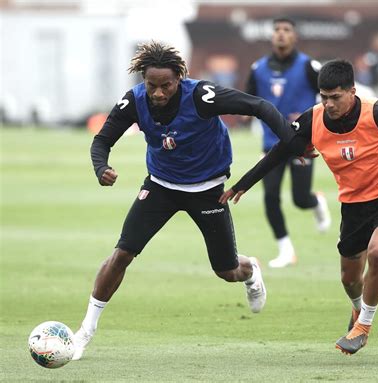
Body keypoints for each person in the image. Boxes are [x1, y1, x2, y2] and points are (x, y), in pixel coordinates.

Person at [72, 41, 297, 360]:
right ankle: (85, 332)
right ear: (143, 81)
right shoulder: (134, 101)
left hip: (208, 189)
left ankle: (252, 270)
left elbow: (260, 107)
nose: (159, 93)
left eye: (166, 85)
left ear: (180, 77)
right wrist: (101, 167)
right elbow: (102, 141)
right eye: (152, 85)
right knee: (122, 254)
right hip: (161, 185)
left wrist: (291, 142)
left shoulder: (202, 96)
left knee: (227, 271)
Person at [220, 59, 378, 354]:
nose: (329, 103)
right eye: (324, 97)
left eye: (336, 97)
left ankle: (363, 326)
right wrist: (242, 184)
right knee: (350, 279)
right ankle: (358, 310)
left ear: (352, 90)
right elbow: (280, 151)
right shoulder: (314, 118)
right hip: (353, 204)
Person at [245, 16, 331, 268]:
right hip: (271, 144)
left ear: (294, 36)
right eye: (277, 30)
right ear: (272, 36)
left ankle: (316, 202)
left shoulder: (309, 66)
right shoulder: (258, 68)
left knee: (299, 199)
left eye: (286, 30)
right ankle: (285, 250)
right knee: (270, 196)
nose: (281, 34)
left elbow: (329, 97)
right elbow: (247, 101)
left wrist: (310, 116)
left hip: (302, 142)